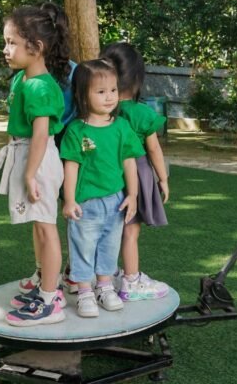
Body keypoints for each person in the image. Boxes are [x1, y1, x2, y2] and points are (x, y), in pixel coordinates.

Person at [0, 3, 71, 327]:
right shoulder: (22, 79)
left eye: (12, 42)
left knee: (46, 227)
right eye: (6, 42)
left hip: (38, 160)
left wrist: (29, 174)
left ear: (36, 47)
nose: (6, 49)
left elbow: (41, 134)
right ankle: (44, 283)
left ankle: (51, 299)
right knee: (37, 225)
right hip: (28, 155)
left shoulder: (40, 86)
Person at [59, 59, 143, 317]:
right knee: (83, 246)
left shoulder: (121, 127)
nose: (110, 97)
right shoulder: (76, 130)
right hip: (85, 204)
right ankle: (85, 290)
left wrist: (133, 195)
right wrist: (69, 200)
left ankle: (104, 287)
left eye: (113, 90)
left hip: (116, 201)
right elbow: (71, 167)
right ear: (82, 95)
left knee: (109, 245)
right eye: (101, 91)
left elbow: (129, 163)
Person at [101, 42, 172, 300]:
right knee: (131, 231)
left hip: (108, 174)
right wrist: (163, 178)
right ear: (136, 78)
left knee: (107, 229)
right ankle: (131, 281)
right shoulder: (141, 113)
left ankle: (105, 277)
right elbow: (153, 149)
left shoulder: (100, 112)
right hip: (137, 174)